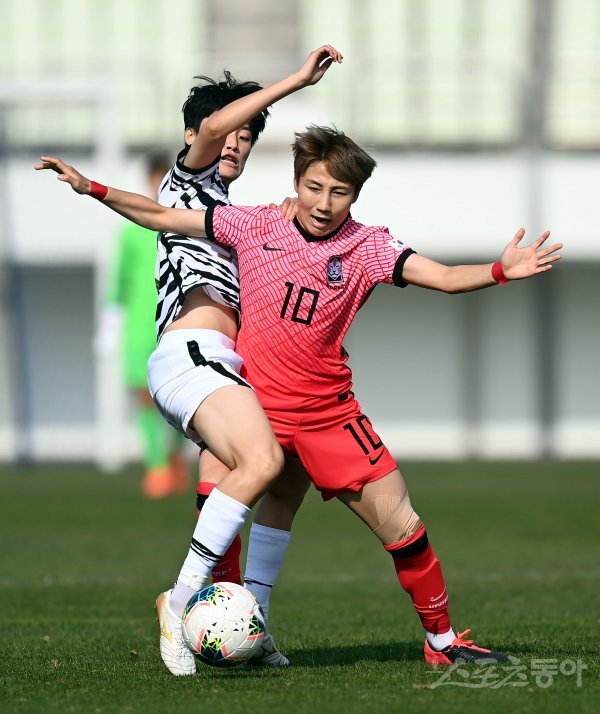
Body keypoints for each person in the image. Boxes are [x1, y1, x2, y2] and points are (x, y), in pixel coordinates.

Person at [35, 125, 562, 672]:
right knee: (218, 502)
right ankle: (238, 622)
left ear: (355, 196)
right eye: (314, 188)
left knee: (402, 525)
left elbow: (445, 276)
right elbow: (163, 216)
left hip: (327, 414)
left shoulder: (368, 246)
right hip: (251, 403)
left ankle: (443, 640)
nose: (324, 203)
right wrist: (92, 187)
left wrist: (501, 270)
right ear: (296, 182)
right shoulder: (256, 223)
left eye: (339, 192)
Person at [36, 48, 343, 676]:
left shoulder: (227, 212)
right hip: (191, 355)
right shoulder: (190, 180)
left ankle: (247, 624)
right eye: (229, 131)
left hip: (222, 362)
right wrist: (295, 81)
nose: (235, 143)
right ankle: (177, 604)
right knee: (263, 462)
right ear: (195, 135)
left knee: (259, 483)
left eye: (247, 138)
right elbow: (204, 137)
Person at [99, 152, 189, 499]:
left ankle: (174, 457)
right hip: (139, 326)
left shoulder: (187, 223)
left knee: (180, 400)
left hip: (177, 322)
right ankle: (157, 467)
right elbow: (120, 281)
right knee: (144, 397)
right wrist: (110, 324)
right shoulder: (132, 229)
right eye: (156, 177)